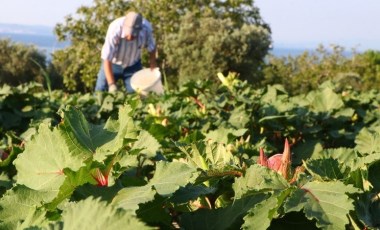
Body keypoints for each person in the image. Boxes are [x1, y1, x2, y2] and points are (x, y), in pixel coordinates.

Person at [95, 11, 157, 92]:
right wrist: (111, 84)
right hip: (112, 64)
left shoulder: (146, 29)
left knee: (136, 94)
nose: (130, 36)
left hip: (133, 65)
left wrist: (153, 70)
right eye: (128, 33)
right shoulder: (115, 28)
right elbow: (107, 58)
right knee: (100, 90)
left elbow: (152, 49)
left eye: (134, 34)